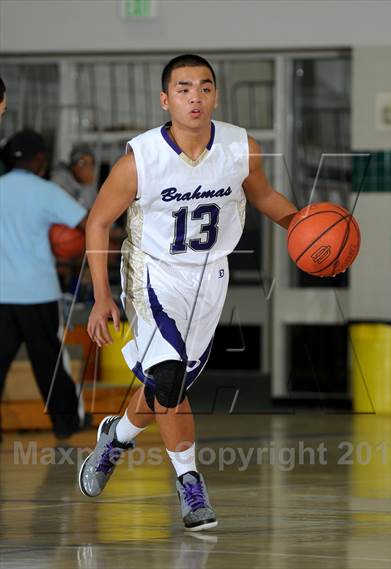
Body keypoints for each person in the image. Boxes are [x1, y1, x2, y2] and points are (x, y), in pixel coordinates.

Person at [78, 54, 297, 530]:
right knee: (171, 379)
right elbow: (97, 221)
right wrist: (101, 295)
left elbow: (263, 197)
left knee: (164, 387)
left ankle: (116, 437)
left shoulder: (241, 147)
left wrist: (304, 225)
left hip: (209, 276)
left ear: (215, 95)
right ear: (166, 99)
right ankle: (190, 485)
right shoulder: (140, 159)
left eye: (203, 87)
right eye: (183, 88)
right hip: (153, 273)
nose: (194, 97)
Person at [0, 129, 88, 439]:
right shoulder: (45, 191)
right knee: (49, 364)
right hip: (37, 293)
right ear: (40, 159)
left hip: (1, 294)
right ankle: (66, 425)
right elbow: (88, 224)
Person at [51, 143, 97, 210]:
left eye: (90, 163)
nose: (87, 167)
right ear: (72, 164)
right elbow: (72, 214)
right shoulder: (59, 181)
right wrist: (85, 186)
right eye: (82, 162)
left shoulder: (89, 185)